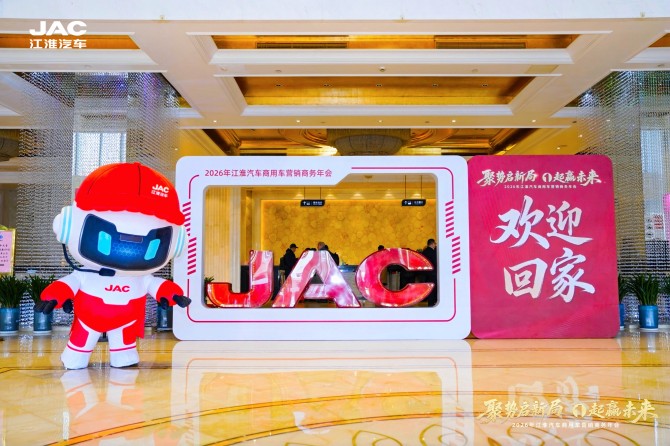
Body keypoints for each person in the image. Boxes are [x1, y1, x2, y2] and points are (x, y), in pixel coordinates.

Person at [422, 238, 438, 306]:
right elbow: (435, 262)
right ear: (432, 243)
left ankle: (430, 302)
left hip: (426, 273)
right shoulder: (433, 252)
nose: (435, 245)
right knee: (433, 288)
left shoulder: (424, 252)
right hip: (433, 273)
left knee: (429, 288)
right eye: (435, 243)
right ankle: (432, 302)